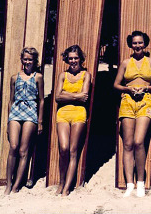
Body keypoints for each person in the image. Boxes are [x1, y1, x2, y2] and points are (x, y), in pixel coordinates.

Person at [113, 31, 151, 198]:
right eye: (135, 43)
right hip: (127, 102)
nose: (138, 46)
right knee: (127, 144)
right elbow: (116, 84)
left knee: (139, 141)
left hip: (145, 102)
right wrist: (128, 89)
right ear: (130, 44)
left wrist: (146, 88)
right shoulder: (126, 63)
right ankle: (129, 184)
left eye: (140, 43)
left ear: (145, 44)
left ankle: (140, 182)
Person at [5, 47, 44, 195]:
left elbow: (41, 101)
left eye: (30, 59)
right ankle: (8, 184)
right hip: (16, 112)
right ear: (22, 59)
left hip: (30, 113)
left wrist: (40, 121)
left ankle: (16, 186)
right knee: (13, 146)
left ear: (35, 61)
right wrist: (9, 121)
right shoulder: (15, 78)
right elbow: (11, 100)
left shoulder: (38, 77)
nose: (27, 62)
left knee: (23, 150)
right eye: (25, 59)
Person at [55, 44, 91, 196]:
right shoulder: (62, 75)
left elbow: (85, 97)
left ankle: (67, 188)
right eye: (70, 58)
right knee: (63, 148)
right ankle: (61, 182)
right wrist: (76, 96)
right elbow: (57, 97)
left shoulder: (86, 75)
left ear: (80, 59)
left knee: (73, 150)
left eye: (76, 58)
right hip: (62, 113)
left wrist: (67, 95)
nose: (73, 61)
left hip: (79, 114)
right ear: (66, 60)